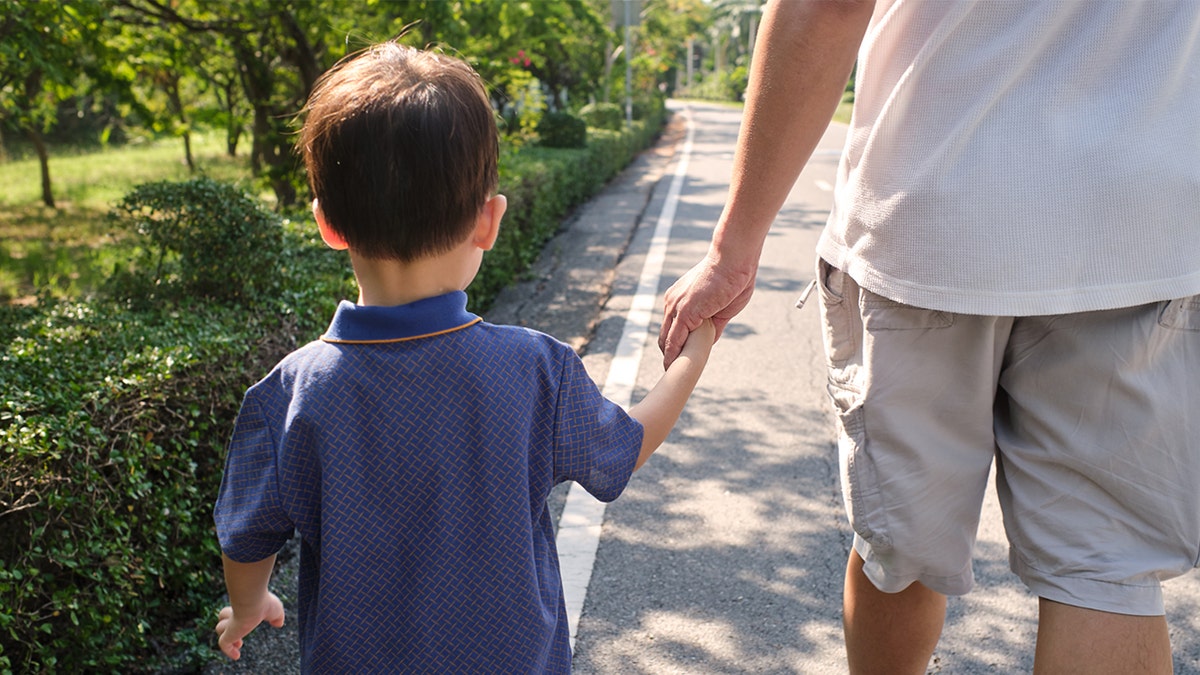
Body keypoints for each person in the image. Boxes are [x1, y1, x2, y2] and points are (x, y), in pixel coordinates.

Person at [659, 1, 1200, 673]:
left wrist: (732, 248)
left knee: (900, 554)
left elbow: (825, 7)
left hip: (933, 215)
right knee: (1109, 575)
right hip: (1139, 232)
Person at [213, 42, 715, 672]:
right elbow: (627, 443)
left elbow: (246, 535)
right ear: (489, 221)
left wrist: (250, 602)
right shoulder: (534, 370)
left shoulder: (289, 394)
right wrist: (694, 354)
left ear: (327, 224)